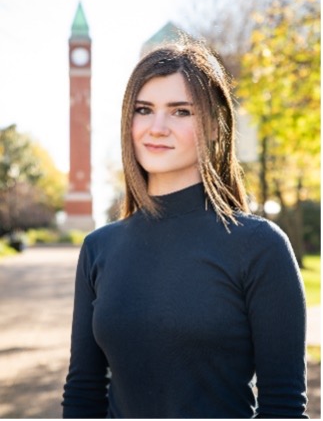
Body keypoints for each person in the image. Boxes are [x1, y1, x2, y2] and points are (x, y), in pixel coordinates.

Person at [62, 41, 308, 418]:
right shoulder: (99, 247)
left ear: (213, 127)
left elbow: (284, 407)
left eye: (180, 112)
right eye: (144, 110)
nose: (157, 128)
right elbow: (83, 392)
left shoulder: (260, 246)